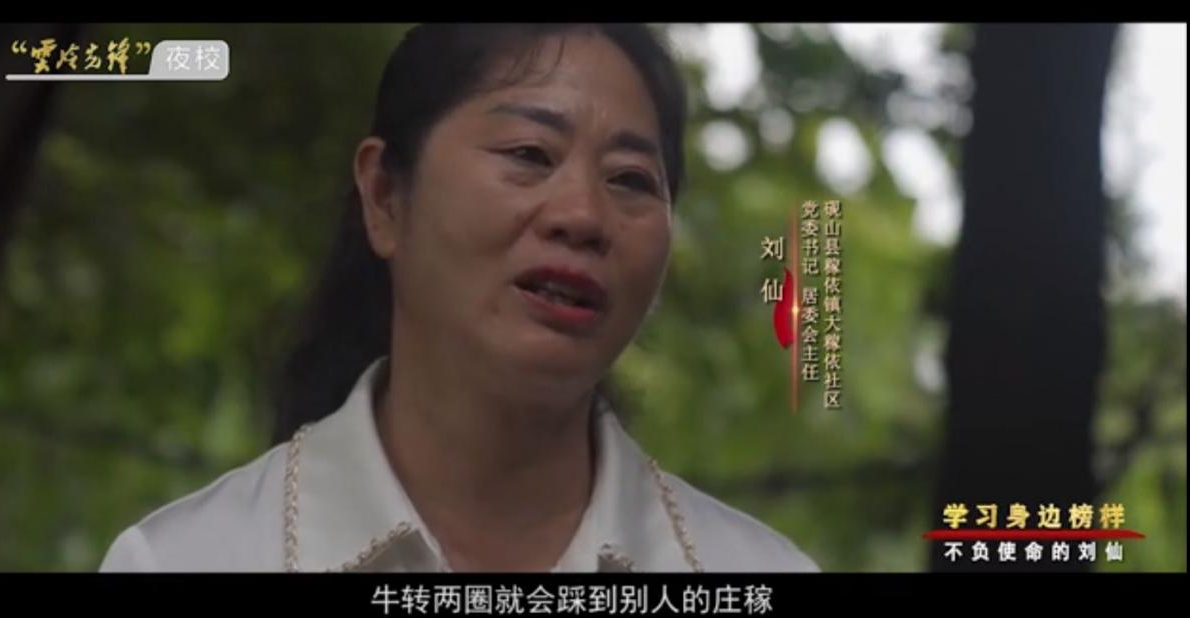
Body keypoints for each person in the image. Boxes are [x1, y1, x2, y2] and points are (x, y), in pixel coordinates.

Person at [100, 23, 818, 573]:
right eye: (529, 154)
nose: (583, 215)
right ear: (384, 195)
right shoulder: (183, 559)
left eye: (630, 179)